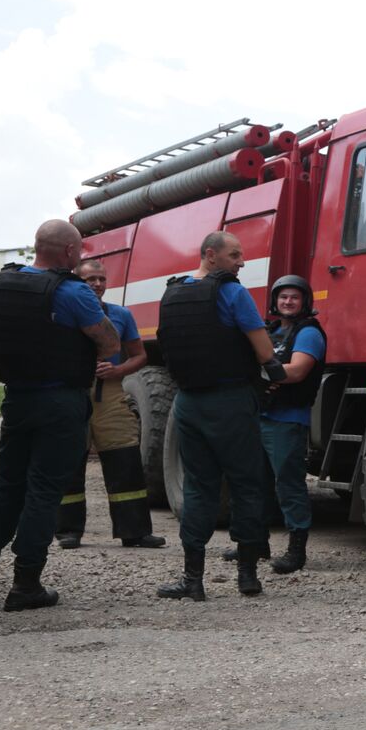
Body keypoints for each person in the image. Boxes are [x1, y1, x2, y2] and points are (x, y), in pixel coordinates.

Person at [0, 220, 120, 611]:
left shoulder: (1, 284)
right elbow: (109, 343)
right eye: (79, 251)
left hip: (16, 398)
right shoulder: (71, 291)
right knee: (44, 492)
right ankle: (26, 584)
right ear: (68, 253)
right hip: (60, 402)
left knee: (7, 488)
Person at [155, 231, 286, 601]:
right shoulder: (231, 292)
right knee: (246, 484)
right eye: (235, 255)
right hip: (229, 401)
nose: (241, 262)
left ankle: (192, 580)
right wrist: (278, 377)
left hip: (188, 403)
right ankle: (247, 577)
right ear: (211, 255)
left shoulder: (173, 292)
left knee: (199, 487)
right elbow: (263, 351)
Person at [56, 259, 166, 550]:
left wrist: (119, 371)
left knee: (125, 460)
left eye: (102, 279)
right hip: (72, 393)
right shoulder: (63, 313)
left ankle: (135, 532)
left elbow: (139, 355)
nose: (98, 284)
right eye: (91, 279)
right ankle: (68, 531)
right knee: (68, 460)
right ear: (77, 282)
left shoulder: (120, 314)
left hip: (112, 393)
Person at [258, 275, 326, 574]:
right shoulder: (268, 331)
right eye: (283, 297)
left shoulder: (309, 333)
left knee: (288, 485)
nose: (288, 302)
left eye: (294, 297)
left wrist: (259, 375)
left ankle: (296, 551)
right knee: (255, 482)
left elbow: (297, 371)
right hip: (259, 416)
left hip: (287, 419)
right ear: (275, 301)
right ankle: (255, 542)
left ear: (304, 302)